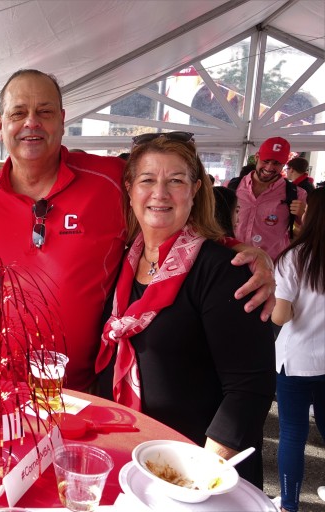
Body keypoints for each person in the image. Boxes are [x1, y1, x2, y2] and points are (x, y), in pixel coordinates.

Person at [0, 69, 276, 392]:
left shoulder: (110, 180)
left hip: (85, 395)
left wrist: (237, 250)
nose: (32, 122)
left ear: (61, 120)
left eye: (44, 112)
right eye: (19, 113)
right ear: (0, 125)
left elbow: (167, 213)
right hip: (1, 391)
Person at [96, 133, 275, 488]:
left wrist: (198, 475)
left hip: (191, 469)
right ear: (130, 190)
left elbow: (249, 387)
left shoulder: (224, 270)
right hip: (127, 457)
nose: (160, 193)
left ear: (194, 191)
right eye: (147, 180)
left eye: (175, 181)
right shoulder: (118, 261)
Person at [271, 187, 325, 512]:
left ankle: (289, 504)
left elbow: (281, 315)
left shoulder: (295, 257)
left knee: (292, 432)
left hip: (297, 359)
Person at [235, 136, 307, 260]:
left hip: (271, 266)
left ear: (284, 164)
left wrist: (303, 215)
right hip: (231, 262)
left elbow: (309, 232)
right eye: (266, 161)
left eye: (276, 163)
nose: (269, 168)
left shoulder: (297, 194)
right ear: (257, 157)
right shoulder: (232, 187)